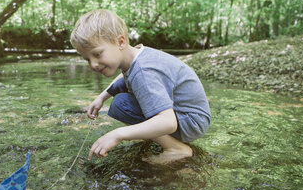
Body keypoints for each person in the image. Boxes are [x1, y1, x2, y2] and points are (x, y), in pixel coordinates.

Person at [70, 9, 211, 164]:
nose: (93, 64)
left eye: (97, 54)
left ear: (121, 42)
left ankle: (177, 149)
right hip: (188, 115)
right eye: (87, 59)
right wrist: (102, 97)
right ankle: (157, 137)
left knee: (121, 105)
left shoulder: (144, 71)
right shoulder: (136, 55)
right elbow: (124, 77)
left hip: (190, 121)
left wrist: (118, 134)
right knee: (121, 101)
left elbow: (168, 122)